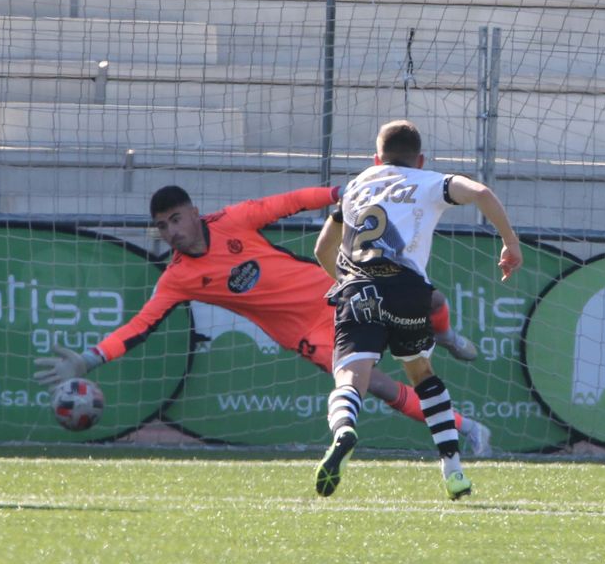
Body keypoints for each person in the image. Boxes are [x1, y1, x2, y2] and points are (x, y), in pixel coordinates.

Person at [33, 184, 493, 455]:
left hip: (338, 291)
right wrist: (90, 360)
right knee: (375, 385)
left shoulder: (233, 220)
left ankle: (445, 333)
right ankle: (468, 429)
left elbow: (290, 202)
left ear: (194, 213)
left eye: (176, 219)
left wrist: (343, 193)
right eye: (163, 226)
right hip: (306, 334)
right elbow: (141, 326)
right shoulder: (177, 278)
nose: (172, 231)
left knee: (429, 296)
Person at [310, 120, 522, 500]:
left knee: (350, 377)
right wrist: (510, 243)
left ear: (376, 158)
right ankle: (453, 471)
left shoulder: (357, 185)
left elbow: (323, 249)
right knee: (422, 375)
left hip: (358, 286)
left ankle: (344, 430)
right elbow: (481, 192)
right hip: (409, 290)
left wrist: (345, 282)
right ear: (420, 159)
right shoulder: (430, 182)